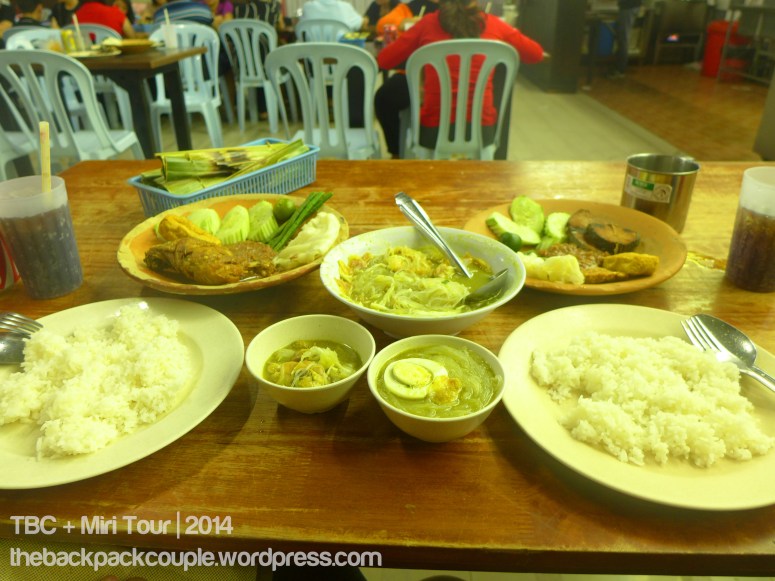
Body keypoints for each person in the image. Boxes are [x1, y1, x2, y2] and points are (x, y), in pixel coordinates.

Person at [375, 0, 543, 158]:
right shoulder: (494, 24)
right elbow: (535, 54)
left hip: (432, 132)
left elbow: (384, 60)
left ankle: (398, 156)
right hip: (482, 132)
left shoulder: (426, 24)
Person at [610, 0, 642, 78]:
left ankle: (619, 70)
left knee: (622, 39)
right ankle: (618, 68)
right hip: (629, 8)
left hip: (628, 8)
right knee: (622, 38)